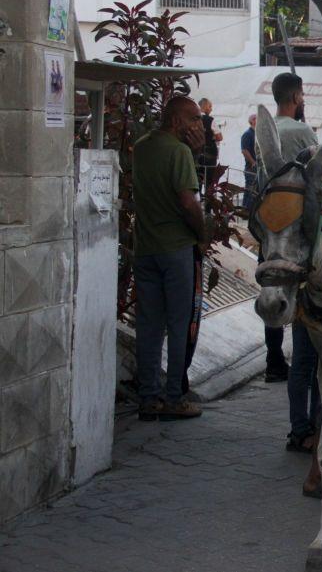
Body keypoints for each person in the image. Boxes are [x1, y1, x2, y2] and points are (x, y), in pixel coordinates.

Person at [132, 96, 207, 422]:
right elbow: (188, 202)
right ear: (177, 121)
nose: (198, 127)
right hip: (176, 248)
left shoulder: (142, 146)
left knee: (149, 325)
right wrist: (203, 235)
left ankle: (148, 398)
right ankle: (175, 398)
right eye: (194, 120)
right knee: (179, 325)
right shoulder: (178, 152)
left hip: (145, 247)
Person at [258, 73, 319, 384]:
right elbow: (319, 174)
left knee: (270, 286)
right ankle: (304, 356)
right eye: (302, 95)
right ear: (296, 97)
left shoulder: (264, 131)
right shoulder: (302, 130)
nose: (303, 100)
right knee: (299, 289)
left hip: (268, 223)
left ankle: (274, 359)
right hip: (295, 227)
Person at [196, 98, 223, 202]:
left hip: (196, 154)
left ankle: (196, 205)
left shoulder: (193, 119)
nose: (211, 109)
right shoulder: (210, 120)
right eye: (210, 106)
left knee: (197, 180)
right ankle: (208, 210)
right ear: (205, 107)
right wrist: (211, 137)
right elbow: (219, 137)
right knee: (209, 183)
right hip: (209, 155)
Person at [240, 113, 257, 211]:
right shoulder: (247, 134)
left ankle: (247, 211)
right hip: (251, 168)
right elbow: (244, 150)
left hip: (257, 167)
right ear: (252, 121)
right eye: (256, 119)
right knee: (250, 189)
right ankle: (246, 211)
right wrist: (253, 162)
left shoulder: (256, 134)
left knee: (252, 190)